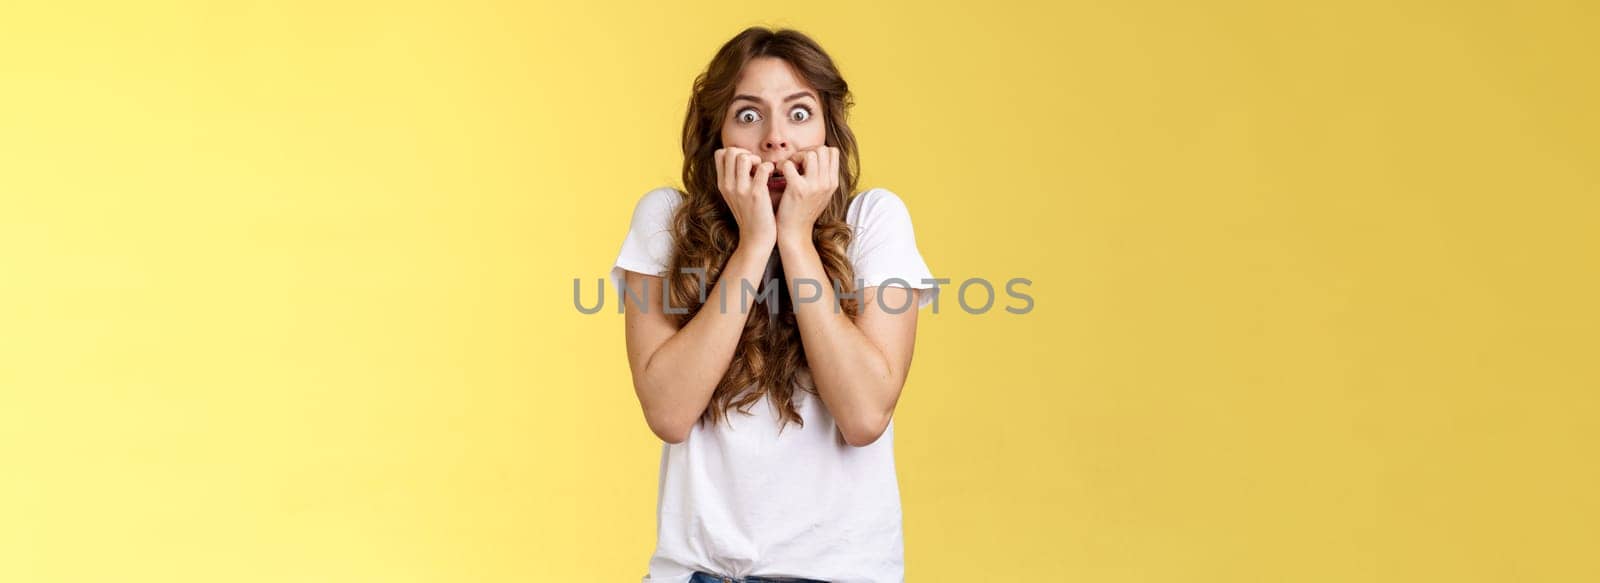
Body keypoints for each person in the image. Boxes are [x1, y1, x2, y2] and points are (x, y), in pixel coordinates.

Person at [610, 26, 938, 583]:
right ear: (716, 133)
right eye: (748, 114)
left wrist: (796, 239)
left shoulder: (875, 221)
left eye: (799, 114)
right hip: (698, 573)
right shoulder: (664, 219)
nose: (775, 139)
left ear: (831, 130)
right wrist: (754, 241)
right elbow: (668, 412)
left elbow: (864, 416)